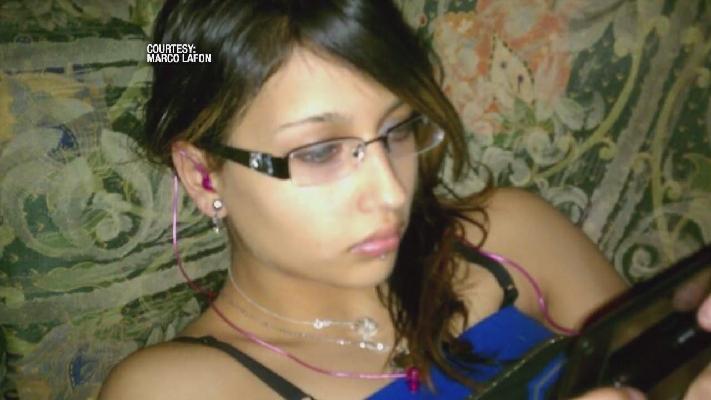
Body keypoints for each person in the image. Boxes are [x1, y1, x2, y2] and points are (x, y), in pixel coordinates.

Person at [98, 0, 708, 399]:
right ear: (203, 176)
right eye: (319, 151)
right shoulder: (177, 388)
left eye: (397, 131)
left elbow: (666, 371)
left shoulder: (510, 238)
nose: (392, 191)